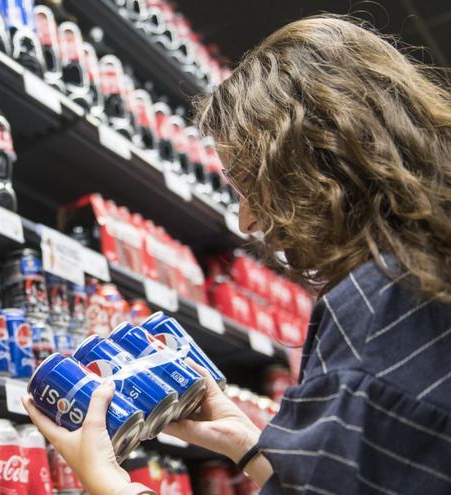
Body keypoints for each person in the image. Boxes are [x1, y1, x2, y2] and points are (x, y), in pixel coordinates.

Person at [24, 16, 451, 495]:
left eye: (250, 184)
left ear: (313, 162)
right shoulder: (424, 276)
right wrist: (247, 445)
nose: (248, 220)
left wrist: (106, 480)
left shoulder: (378, 311)